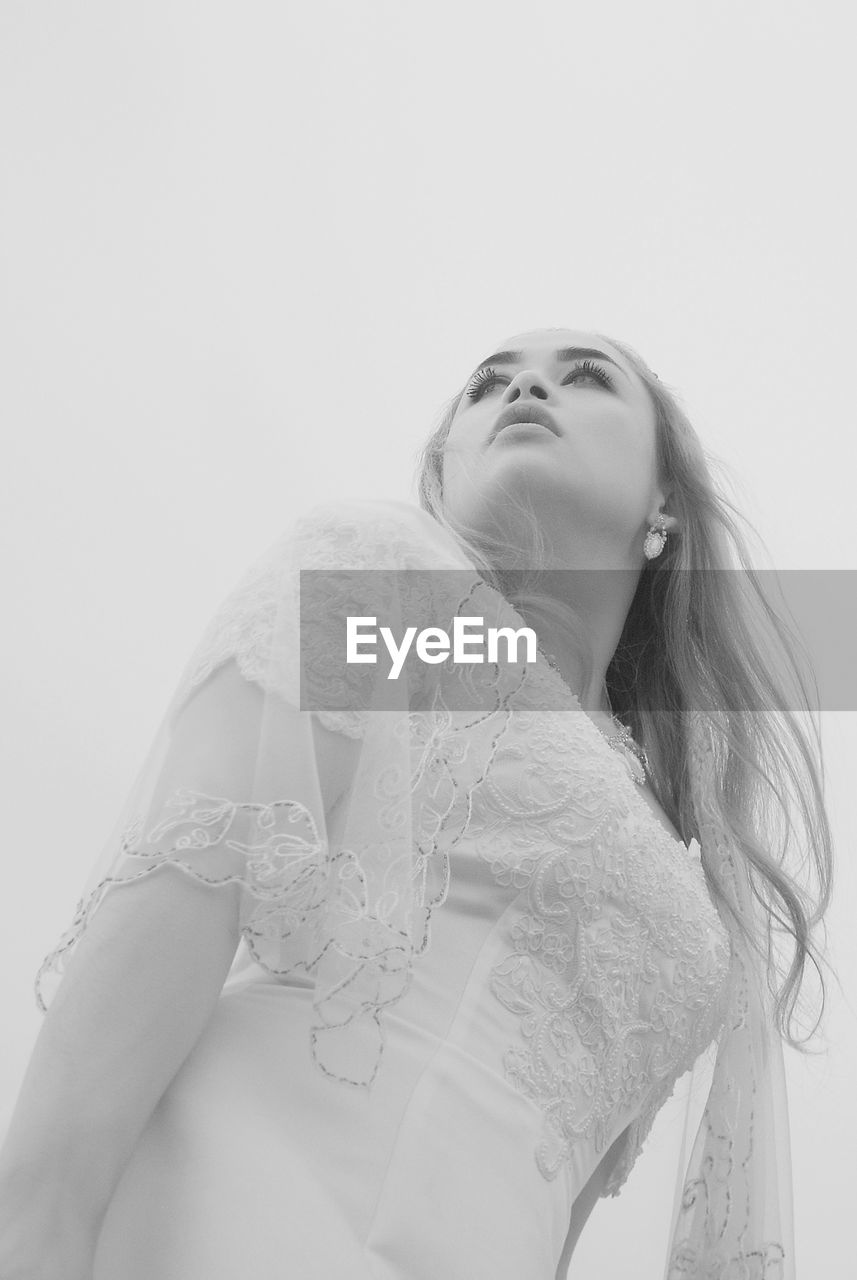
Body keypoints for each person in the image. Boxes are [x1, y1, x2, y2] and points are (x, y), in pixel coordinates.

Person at [0, 327, 833, 1279]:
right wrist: (38, 1230)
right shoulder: (392, 588)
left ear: (663, 502)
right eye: (487, 384)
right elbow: (180, 880)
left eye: (584, 377)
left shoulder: (676, 844)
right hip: (240, 1208)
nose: (523, 386)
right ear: (444, 469)